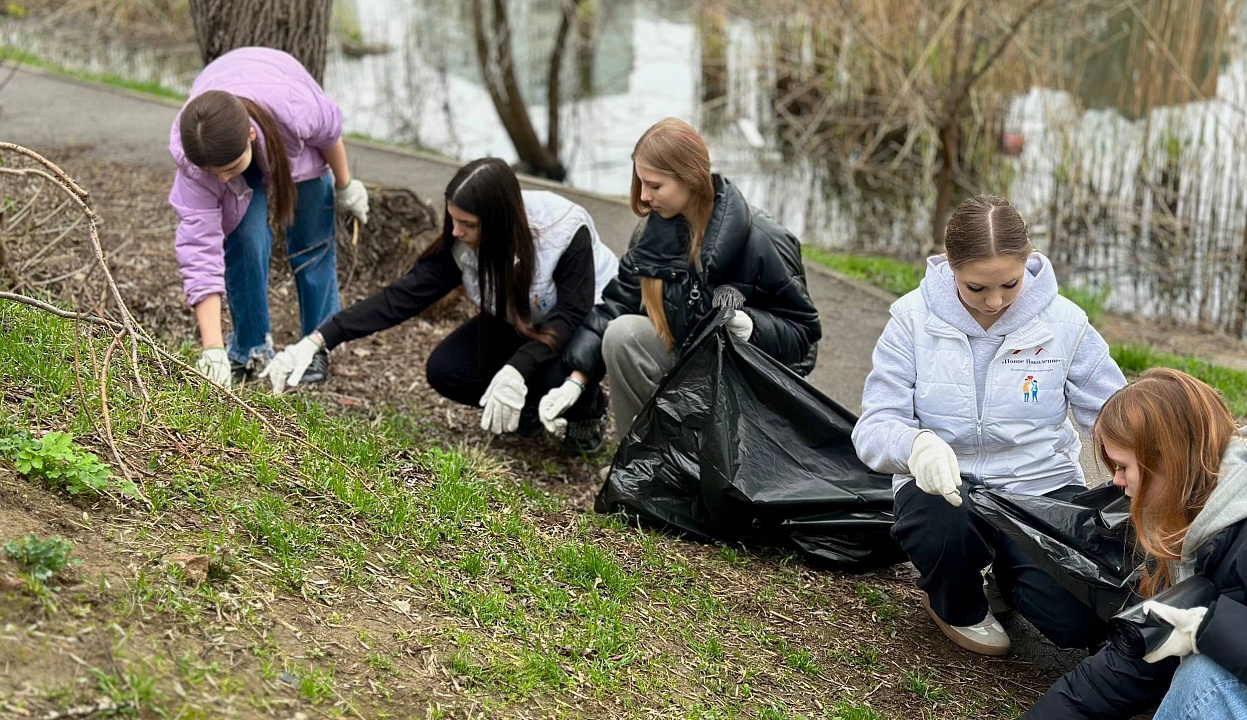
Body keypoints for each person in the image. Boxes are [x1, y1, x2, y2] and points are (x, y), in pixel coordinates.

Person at [851, 195, 1126, 656]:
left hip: (1041, 491)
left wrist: (1148, 454)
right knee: (941, 526)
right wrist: (916, 446)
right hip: (948, 488)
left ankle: (1009, 575)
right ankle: (955, 603)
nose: (994, 302)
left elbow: (1113, 415)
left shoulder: (1067, 324)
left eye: (1009, 284)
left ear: (1027, 263)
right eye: (976, 288)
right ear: (951, 267)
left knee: (1079, 627)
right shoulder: (911, 319)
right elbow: (875, 424)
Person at [262, 158, 620, 455]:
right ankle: (525, 409)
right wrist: (320, 339)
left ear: (499, 221)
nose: (456, 232)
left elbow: (571, 314)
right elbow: (400, 299)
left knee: (550, 374)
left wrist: (517, 370)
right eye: (453, 220)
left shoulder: (563, 228)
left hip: (581, 325)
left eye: (468, 224)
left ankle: (588, 413)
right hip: (521, 319)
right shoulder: (461, 242)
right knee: (446, 370)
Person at [1024, 369, 1247, 719]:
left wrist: (1212, 630)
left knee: (1203, 681)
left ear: (1168, 461)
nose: (1115, 481)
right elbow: (1129, 668)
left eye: (1122, 466)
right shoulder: (1199, 517)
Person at [546, 118, 821, 440]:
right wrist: (576, 379)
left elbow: (803, 336)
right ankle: (638, 464)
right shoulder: (653, 233)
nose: (645, 196)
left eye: (655, 185)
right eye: (641, 183)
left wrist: (751, 327)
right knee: (623, 335)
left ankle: (692, 465)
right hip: (689, 365)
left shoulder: (764, 240)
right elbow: (615, 307)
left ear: (690, 178)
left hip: (746, 381)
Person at [170, 47, 369, 389]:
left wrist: (345, 185)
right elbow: (199, 250)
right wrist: (212, 348)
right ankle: (250, 350)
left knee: (312, 238)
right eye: (213, 174)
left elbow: (330, 133)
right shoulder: (197, 156)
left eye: (228, 170)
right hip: (228, 134)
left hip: (288, 135)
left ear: (250, 136)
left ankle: (318, 343)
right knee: (246, 239)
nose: (221, 181)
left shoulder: (295, 108)